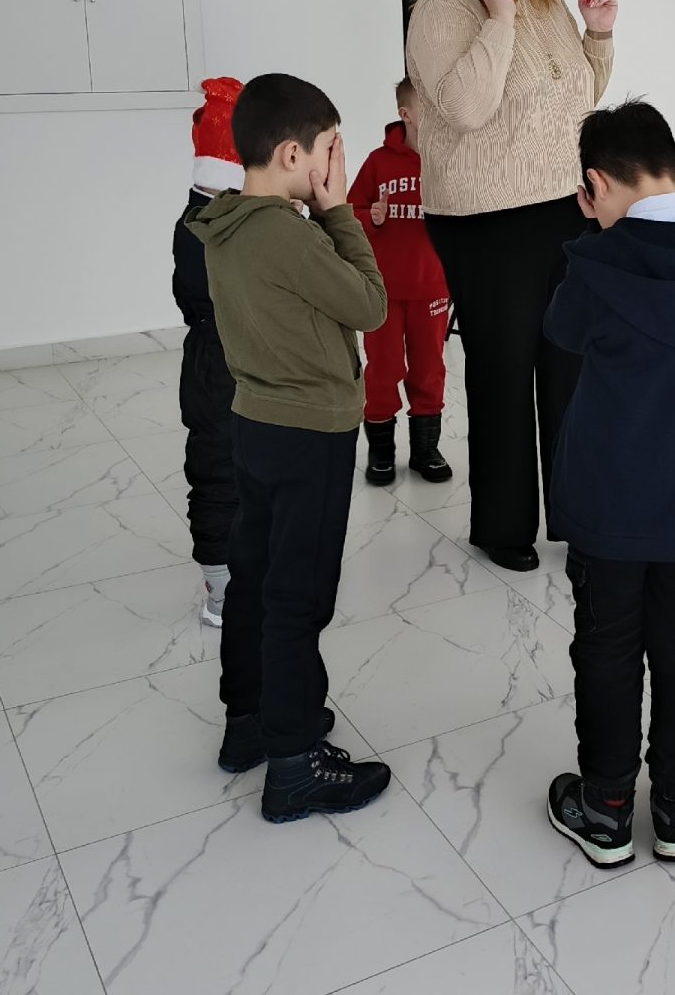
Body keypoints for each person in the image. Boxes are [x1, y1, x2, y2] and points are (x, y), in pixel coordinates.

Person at [542, 101, 675, 869]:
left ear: (595, 186)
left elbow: (561, 332)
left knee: (607, 643)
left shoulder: (595, 264)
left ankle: (604, 808)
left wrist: (593, 236)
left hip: (610, 501)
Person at [187, 73, 392, 823]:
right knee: (298, 596)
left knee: (255, 577)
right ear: (291, 154)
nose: (337, 164)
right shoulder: (289, 233)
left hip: (257, 423)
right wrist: (338, 211)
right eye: (331, 149)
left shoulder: (224, 221)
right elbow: (369, 304)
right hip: (311, 432)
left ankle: (251, 721)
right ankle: (295, 762)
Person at [407, 0, 619, 573]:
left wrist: (597, 36)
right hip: (486, 221)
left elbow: (576, 100)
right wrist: (498, 18)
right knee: (502, 371)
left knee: (569, 368)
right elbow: (467, 110)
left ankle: (575, 514)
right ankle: (502, 527)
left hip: (561, 208)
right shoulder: (445, 6)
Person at [348, 77, 454, 488]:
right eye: (427, 105)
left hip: (432, 288)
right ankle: (381, 451)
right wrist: (370, 217)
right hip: (384, 292)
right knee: (384, 368)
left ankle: (426, 450)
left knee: (429, 369)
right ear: (405, 114)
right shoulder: (378, 162)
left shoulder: (449, 158)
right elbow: (350, 210)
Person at [174, 77, 245, 626]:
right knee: (225, 468)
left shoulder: (191, 218)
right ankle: (222, 590)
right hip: (228, 357)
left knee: (217, 465)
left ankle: (223, 578)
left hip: (203, 355)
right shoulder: (236, 227)